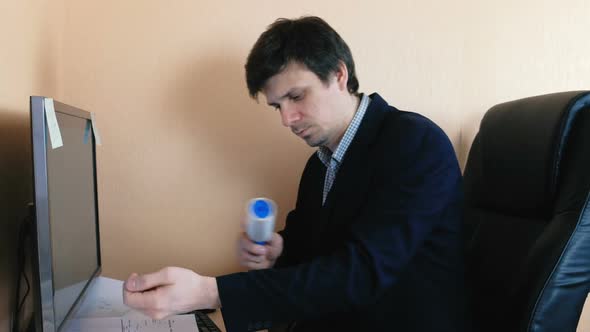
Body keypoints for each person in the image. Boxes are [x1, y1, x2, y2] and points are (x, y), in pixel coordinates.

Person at [123, 16, 468, 332]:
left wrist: (211, 292)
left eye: (296, 96)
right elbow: (313, 254)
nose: (287, 119)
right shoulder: (319, 164)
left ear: (338, 74)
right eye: (278, 105)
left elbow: (360, 273)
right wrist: (279, 251)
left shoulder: (414, 143)